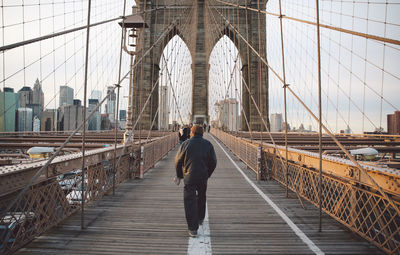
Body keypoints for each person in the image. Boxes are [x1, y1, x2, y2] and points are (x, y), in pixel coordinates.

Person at [174, 125, 217, 237]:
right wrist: (208, 174)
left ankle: (193, 229)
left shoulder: (186, 144)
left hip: (189, 177)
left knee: (190, 201)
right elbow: (213, 161)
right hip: (203, 176)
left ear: (191, 133)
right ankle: (200, 218)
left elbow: (178, 161)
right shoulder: (208, 144)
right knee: (202, 196)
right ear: (202, 133)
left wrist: (179, 175)